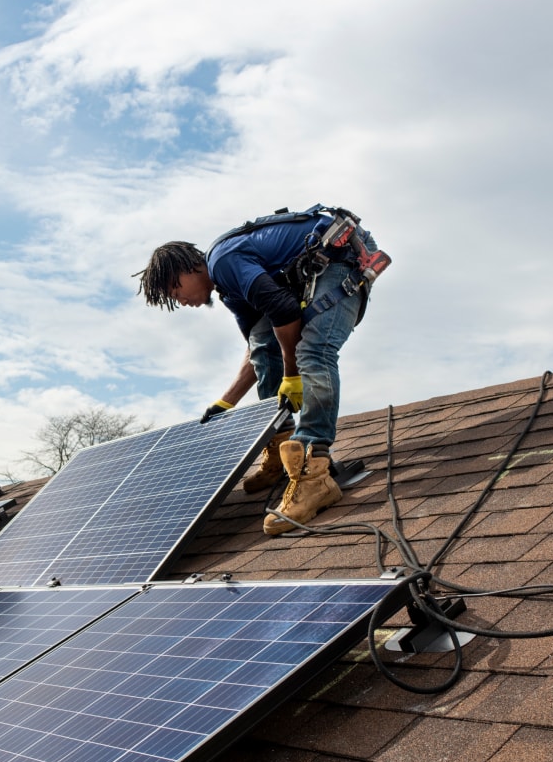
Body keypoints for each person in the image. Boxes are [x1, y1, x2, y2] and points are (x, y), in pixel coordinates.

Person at [138, 205, 385, 535]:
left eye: (174, 291)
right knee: (267, 348)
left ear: (185, 270)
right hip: (311, 271)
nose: (180, 301)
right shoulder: (230, 293)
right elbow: (260, 348)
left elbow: (285, 313)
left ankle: (315, 473)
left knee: (315, 352)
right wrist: (227, 401)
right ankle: (281, 448)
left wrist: (293, 375)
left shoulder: (223, 262)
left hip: (342, 258)